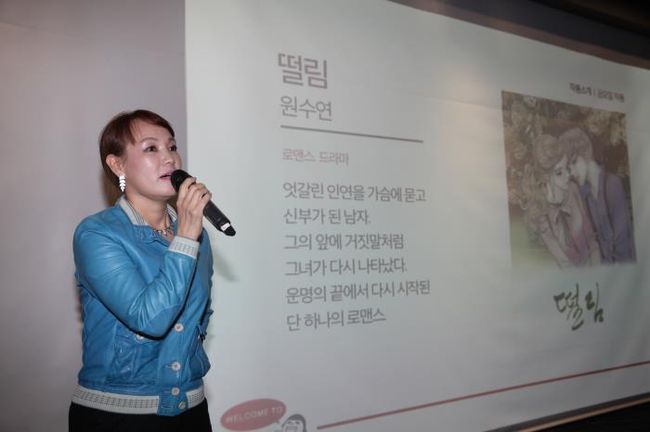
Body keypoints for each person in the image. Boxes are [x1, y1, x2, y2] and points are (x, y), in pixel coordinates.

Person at [69, 110, 215, 431]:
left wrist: (188, 235)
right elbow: (150, 319)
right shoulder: (97, 234)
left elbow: (198, 316)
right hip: (118, 414)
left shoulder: (196, 236)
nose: (170, 158)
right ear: (117, 165)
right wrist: (186, 238)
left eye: (172, 146)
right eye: (151, 148)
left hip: (191, 407)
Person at [522, 134, 600, 268]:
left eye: (566, 167)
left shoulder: (573, 189)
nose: (568, 175)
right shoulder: (541, 210)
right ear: (545, 177)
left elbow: (591, 240)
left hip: (593, 264)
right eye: (559, 172)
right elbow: (563, 262)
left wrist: (597, 268)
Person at [560, 127, 636, 264]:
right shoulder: (584, 192)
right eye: (568, 168)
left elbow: (622, 243)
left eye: (574, 163)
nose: (572, 173)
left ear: (586, 153)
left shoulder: (612, 185)